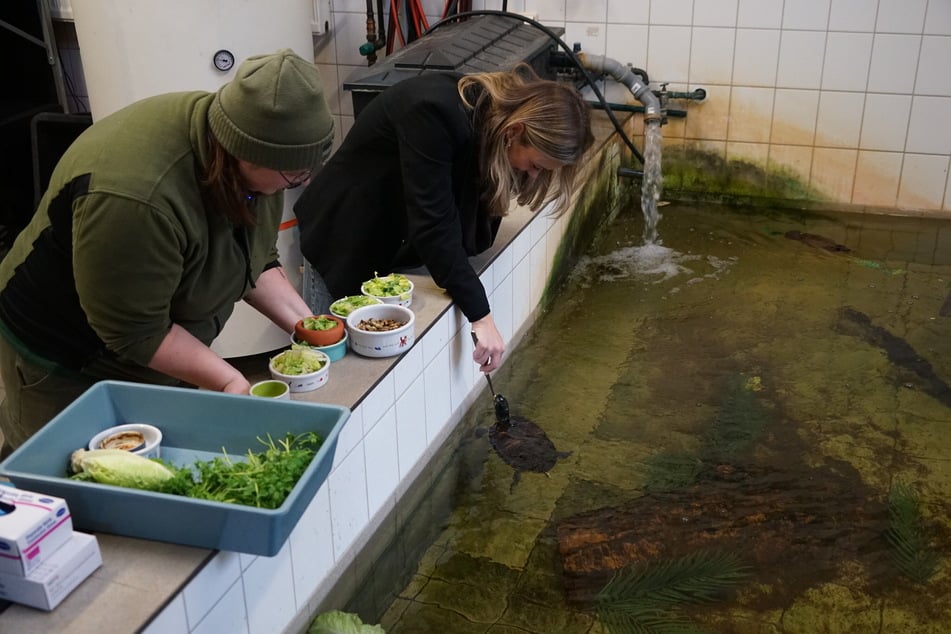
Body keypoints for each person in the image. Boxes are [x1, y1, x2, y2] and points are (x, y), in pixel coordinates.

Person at [0, 49, 334, 455]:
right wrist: (228, 379)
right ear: (246, 152)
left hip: (152, 339)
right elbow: (136, 331)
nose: (300, 180)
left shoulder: (248, 159)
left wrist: (311, 329)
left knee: (154, 461)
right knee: (58, 479)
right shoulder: (139, 198)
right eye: (294, 173)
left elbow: (254, 257)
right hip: (64, 355)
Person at [294, 64, 593, 374]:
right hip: (344, 234)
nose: (532, 174)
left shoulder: (490, 124)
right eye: (535, 165)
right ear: (515, 131)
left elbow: (459, 227)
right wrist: (481, 315)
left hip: (391, 235)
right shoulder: (434, 113)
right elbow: (434, 226)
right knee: (324, 363)